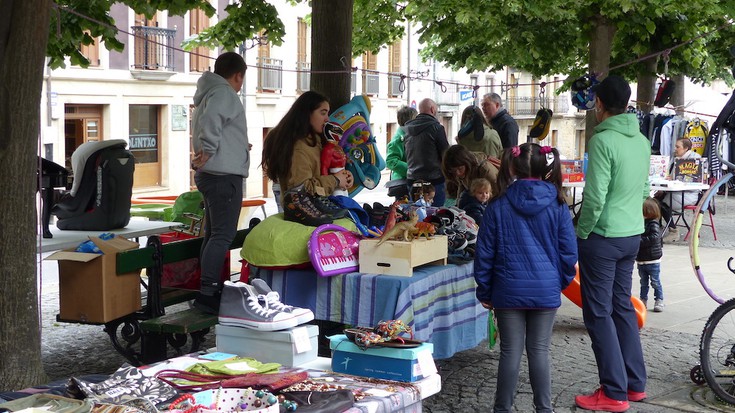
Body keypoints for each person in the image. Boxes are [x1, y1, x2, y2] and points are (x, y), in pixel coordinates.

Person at [474, 143, 577, 413]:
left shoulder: (497, 205)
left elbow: (484, 253)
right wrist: (558, 282)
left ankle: (502, 408)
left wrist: (484, 291)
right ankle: (544, 409)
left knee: (510, 352)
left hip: (507, 290)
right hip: (545, 289)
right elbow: (569, 253)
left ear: (512, 166)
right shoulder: (558, 204)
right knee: (539, 351)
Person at [574, 75, 651, 412]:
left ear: (599, 104)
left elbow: (594, 198)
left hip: (603, 237)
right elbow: (645, 190)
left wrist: (582, 231)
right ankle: (634, 384)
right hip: (631, 234)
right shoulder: (642, 141)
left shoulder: (602, 141)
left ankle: (614, 392)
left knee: (598, 313)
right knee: (620, 306)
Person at [190, 52, 249, 314]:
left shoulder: (209, 93)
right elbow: (212, 121)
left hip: (213, 174)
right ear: (238, 75)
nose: (240, 86)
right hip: (223, 176)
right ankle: (207, 293)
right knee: (223, 235)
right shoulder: (225, 93)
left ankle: (208, 289)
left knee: (213, 234)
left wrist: (234, 146)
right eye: (241, 80)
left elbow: (214, 123)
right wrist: (209, 149)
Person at [262, 91, 353, 204]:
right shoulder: (298, 147)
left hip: (320, 207)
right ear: (307, 113)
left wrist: (345, 177)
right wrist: (336, 180)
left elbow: (323, 173)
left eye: (327, 114)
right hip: (308, 213)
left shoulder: (318, 141)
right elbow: (301, 190)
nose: (327, 119)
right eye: (322, 113)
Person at [655, 137, 702, 243]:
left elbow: (692, 180)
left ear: (686, 148)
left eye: (678, 147)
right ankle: (658, 227)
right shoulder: (677, 158)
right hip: (676, 191)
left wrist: (674, 178)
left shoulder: (694, 159)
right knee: (653, 200)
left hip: (689, 194)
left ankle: (673, 231)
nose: (675, 149)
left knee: (662, 205)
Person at [404, 98, 449, 207]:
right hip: (434, 181)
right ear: (433, 109)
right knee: (435, 216)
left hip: (412, 180)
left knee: (416, 215)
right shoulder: (437, 128)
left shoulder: (408, 129)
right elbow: (446, 155)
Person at [637, 198, 665, 312]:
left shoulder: (653, 223)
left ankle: (659, 299)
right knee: (643, 282)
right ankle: (643, 300)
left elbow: (654, 238)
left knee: (655, 281)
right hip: (641, 259)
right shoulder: (641, 223)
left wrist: (639, 241)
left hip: (652, 259)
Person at [385, 106, 418, 199]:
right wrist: (411, 169)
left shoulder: (409, 135)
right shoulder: (398, 140)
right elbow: (391, 161)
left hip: (409, 180)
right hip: (403, 182)